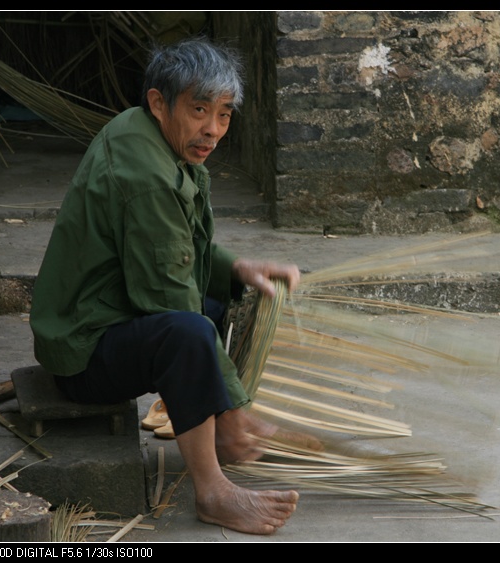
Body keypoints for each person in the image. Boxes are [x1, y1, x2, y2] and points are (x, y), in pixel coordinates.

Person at [29, 38, 305, 535]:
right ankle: (212, 489)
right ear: (159, 102)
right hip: (84, 353)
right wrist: (235, 404)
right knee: (189, 333)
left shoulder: (144, 133)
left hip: (107, 313)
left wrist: (240, 268)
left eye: (224, 114)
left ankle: (212, 426)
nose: (213, 130)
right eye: (199, 110)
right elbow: (173, 301)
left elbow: (184, 251)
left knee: (219, 299)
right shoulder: (148, 177)